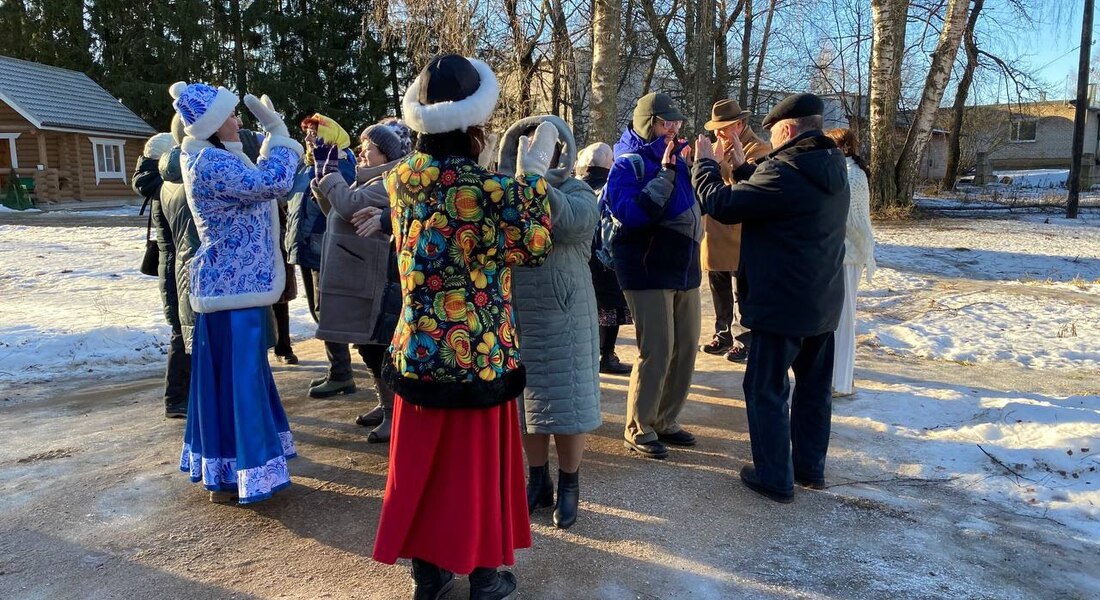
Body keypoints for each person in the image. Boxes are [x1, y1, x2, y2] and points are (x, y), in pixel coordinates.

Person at [371, 54, 555, 600]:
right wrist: (533, 180)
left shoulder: (399, 178)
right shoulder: (489, 189)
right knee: (475, 472)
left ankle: (428, 573)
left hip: (418, 348)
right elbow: (535, 244)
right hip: (476, 351)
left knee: (423, 468)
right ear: (475, 125)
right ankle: (482, 575)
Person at [692, 93, 848, 503]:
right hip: (821, 302)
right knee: (814, 390)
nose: (772, 138)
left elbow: (721, 204)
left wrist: (705, 162)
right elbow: (773, 200)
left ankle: (774, 476)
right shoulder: (829, 165)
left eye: (775, 132)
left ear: (789, 130)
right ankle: (809, 469)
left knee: (765, 389)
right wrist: (743, 166)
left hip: (780, 305)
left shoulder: (787, 170)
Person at [170, 81, 303, 504]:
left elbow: (263, 181)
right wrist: (279, 135)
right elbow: (272, 183)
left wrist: (268, 145)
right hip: (233, 291)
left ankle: (230, 470)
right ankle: (244, 471)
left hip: (232, 289)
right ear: (211, 124)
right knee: (240, 381)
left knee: (234, 380)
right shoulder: (211, 162)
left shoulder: (212, 158)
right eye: (230, 115)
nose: (237, 120)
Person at [499, 115, 600, 530]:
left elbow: (574, 223)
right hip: (518, 315)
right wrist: (519, 182)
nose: (533, 152)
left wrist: (537, 183)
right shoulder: (503, 190)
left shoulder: (577, 190)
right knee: (529, 407)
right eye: (526, 145)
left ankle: (570, 485)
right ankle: (537, 481)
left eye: (542, 146)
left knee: (568, 406)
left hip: (566, 317)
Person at [604, 92, 702, 460]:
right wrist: (664, 174)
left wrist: (705, 169)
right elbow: (631, 214)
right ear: (648, 124)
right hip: (648, 269)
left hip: (685, 268)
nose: (674, 130)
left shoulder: (681, 158)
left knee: (686, 347)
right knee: (657, 350)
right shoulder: (627, 163)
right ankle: (638, 426)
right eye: (665, 123)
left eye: (677, 123)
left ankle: (664, 418)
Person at [309, 121, 406, 442]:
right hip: (358, 274)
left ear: (386, 154)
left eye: (369, 149)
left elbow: (349, 207)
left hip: (377, 278)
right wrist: (321, 179)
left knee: (376, 346)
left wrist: (332, 176)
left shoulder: (388, 181)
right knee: (366, 345)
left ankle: (394, 415)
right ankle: (384, 405)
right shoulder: (368, 180)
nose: (362, 154)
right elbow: (335, 210)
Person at [294, 114, 363, 400]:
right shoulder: (309, 163)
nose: (310, 139)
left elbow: (338, 201)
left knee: (327, 310)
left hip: (325, 244)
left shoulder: (341, 163)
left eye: (315, 133)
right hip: (309, 245)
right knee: (317, 309)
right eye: (307, 134)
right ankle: (337, 368)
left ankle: (341, 374)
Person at [698, 99, 772, 363]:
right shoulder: (717, 146)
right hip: (714, 229)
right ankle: (723, 332)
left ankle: (746, 336)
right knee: (717, 284)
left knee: (744, 286)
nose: (718, 133)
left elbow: (752, 188)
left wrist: (721, 165)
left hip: (741, 230)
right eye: (716, 129)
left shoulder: (759, 148)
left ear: (740, 124)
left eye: (724, 127)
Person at [132, 131, 188, 418]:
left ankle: (181, 396)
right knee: (181, 332)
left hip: (171, 265)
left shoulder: (156, 184)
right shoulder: (167, 185)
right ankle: (176, 399)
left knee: (182, 331)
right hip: (176, 266)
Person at [825, 128, 875, 397]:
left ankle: (841, 382)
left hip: (849, 254)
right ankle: (839, 377)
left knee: (844, 318)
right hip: (841, 253)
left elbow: (851, 220)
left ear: (842, 147)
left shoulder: (851, 174)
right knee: (837, 317)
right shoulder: (846, 170)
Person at [579, 142, 632, 375]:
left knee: (586, 309)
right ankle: (607, 355)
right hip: (607, 258)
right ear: (609, 163)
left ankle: (588, 356)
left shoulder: (574, 187)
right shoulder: (613, 187)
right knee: (611, 308)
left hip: (579, 258)